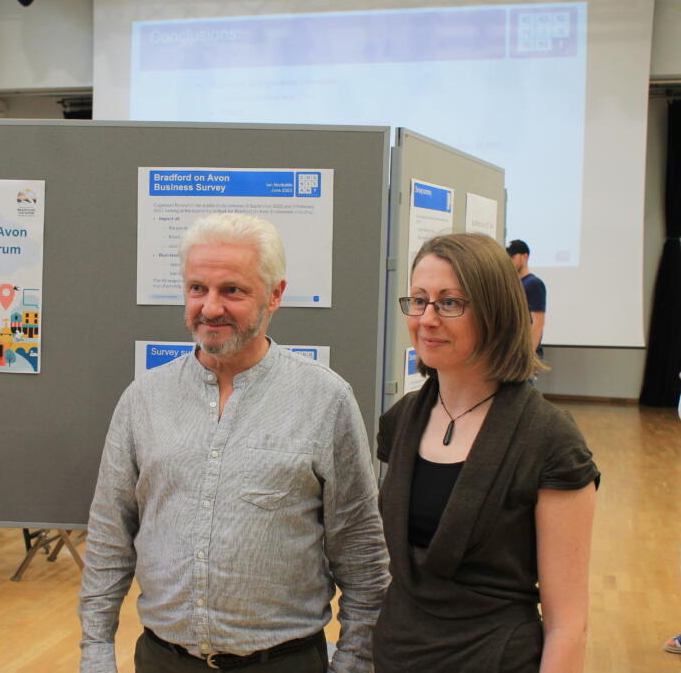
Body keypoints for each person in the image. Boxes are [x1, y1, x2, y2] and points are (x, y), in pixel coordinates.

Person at [79, 213, 389, 672]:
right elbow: (109, 540)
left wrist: (352, 664)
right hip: (164, 660)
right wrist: (97, 655)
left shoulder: (325, 401)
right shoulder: (143, 399)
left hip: (283, 662)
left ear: (276, 295)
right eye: (197, 288)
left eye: (232, 291)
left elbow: (362, 556)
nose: (209, 307)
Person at [373, 233, 599, 671]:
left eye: (450, 302)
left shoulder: (550, 440)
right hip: (397, 654)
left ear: (494, 312)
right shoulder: (400, 422)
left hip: (494, 658)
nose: (427, 318)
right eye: (418, 300)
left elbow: (568, 624)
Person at [506, 239, 546, 359]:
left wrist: (529, 355)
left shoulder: (533, 283)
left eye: (512, 256)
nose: (509, 260)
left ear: (525, 256)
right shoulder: (512, 284)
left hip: (525, 353)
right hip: (511, 350)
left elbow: (538, 322)